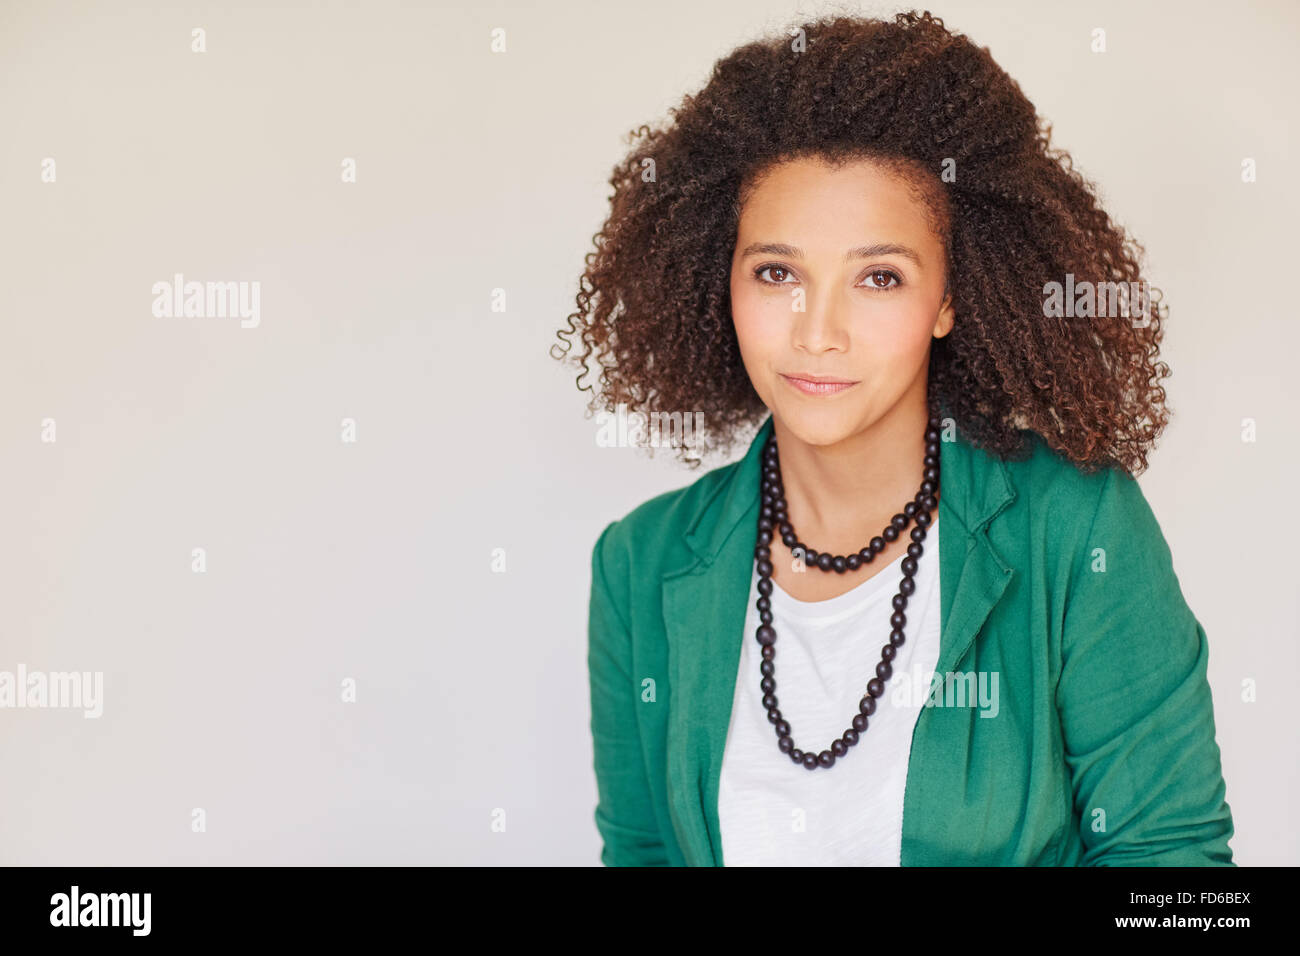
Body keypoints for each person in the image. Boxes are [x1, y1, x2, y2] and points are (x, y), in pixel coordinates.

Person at [553, 10, 1234, 866]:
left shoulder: (1078, 530)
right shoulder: (640, 564)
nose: (818, 330)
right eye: (777, 272)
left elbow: (1178, 875)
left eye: (879, 277)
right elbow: (644, 851)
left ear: (951, 297)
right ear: (713, 280)